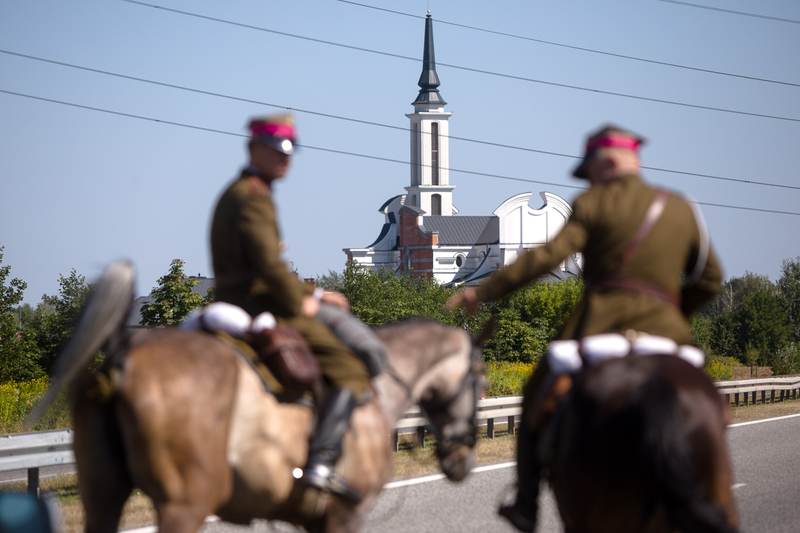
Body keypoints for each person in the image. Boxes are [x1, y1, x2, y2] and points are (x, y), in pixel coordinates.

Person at [446, 124, 723, 532]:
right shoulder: (682, 207)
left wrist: (483, 293)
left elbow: (545, 257)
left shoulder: (592, 203)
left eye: (589, 171)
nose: (588, 180)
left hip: (599, 328)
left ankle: (526, 502)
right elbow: (710, 278)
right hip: (667, 332)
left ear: (604, 164)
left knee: (536, 392)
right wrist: (673, 314)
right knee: (705, 398)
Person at [210, 113, 370, 502]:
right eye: (277, 149)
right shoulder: (255, 197)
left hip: (237, 296)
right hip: (258, 303)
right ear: (253, 148)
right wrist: (306, 301)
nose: (286, 158)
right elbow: (269, 266)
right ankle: (321, 463)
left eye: (290, 150)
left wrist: (316, 292)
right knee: (350, 367)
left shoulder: (239, 191)